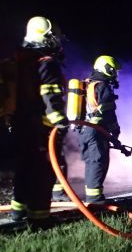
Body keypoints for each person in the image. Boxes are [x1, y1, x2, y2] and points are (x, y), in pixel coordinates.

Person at [9, 16, 68, 222]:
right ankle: (40, 219)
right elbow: (50, 95)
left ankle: (18, 210)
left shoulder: (22, 60)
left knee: (24, 168)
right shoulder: (47, 63)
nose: (57, 42)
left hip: (19, 124)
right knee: (42, 173)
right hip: (39, 127)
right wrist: (60, 121)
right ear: (46, 37)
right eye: (54, 37)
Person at [78, 55, 121, 203]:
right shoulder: (102, 86)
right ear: (107, 69)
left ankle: (93, 196)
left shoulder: (89, 83)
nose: (116, 73)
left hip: (84, 130)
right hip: (96, 130)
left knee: (92, 161)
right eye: (114, 70)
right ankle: (95, 198)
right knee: (98, 162)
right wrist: (115, 131)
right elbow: (109, 113)